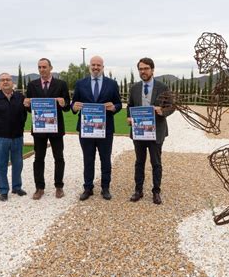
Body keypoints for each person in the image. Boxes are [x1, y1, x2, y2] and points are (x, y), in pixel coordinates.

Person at [72, 55, 122, 201]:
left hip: (105, 129)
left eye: (98, 65)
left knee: (105, 159)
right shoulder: (81, 83)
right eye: (93, 65)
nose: (95, 67)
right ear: (89, 66)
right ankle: (88, 188)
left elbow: (118, 104)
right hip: (86, 129)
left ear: (103, 67)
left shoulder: (112, 84)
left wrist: (114, 107)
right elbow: (74, 103)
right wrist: (74, 107)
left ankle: (105, 188)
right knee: (88, 159)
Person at [127, 57, 174, 205]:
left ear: (152, 70)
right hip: (139, 131)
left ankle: (156, 191)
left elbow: (172, 106)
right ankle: (138, 190)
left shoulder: (163, 87)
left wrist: (161, 110)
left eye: (146, 68)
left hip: (156, 131)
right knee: (139, 162)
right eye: (140, 69)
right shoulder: (134, 88)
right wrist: (129, 117)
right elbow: (129, 106)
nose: (143, 71)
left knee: (156, 163)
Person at [24, 58, 71, 200]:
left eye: (44, 67)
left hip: (56, 128)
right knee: (38, 158)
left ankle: (59, 186)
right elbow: (30, 110)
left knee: (59, 157)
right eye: (39, 67)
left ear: (51, 68)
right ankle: (39, 187)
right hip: (39, 128)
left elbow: (68, 107)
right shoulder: (32, 85)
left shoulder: (61, 84)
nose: (42, 69)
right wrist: (26, 105)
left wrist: (64, 103)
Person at [0, 73, 27, 201]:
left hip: (17, 137)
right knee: (1, 164)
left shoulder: (20, 97)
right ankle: (3, 190)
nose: (5, 82)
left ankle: (17, 187)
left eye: (8, 79)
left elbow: (24, 116)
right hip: (1, 138)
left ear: (12, 82)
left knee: (18, 163)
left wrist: (19, 127)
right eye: (2, 80)